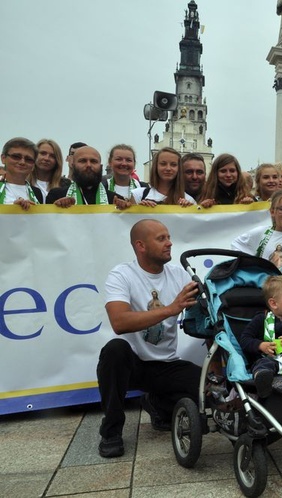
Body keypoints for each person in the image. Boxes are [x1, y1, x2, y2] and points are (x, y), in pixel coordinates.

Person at [96, 219, 201, 457]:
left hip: (167, 365)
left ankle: (157, 404)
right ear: (141, 246)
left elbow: (207, 318)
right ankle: (111, 431)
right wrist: (171, 309)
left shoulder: (180, 275)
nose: (170, 243)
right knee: (114, 351)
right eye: (161, 239)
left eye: (169, 237)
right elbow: (119, 323)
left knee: (207, 392)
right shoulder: (121, 274)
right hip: (133, 364)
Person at [46, 146, 127, 208]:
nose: (88, 165)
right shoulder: (56, 195)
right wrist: (56, 208)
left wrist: (125, 210)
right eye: (83, 161)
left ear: (101, 167)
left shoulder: (114, 200)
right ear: (73, 166)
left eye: (93, 161)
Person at [0, 137, 44, 210]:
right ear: (3, 158)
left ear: (33, 165)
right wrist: (13, 210)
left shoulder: (37, 192)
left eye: (28, 159)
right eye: (16, 157)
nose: (22, 162)